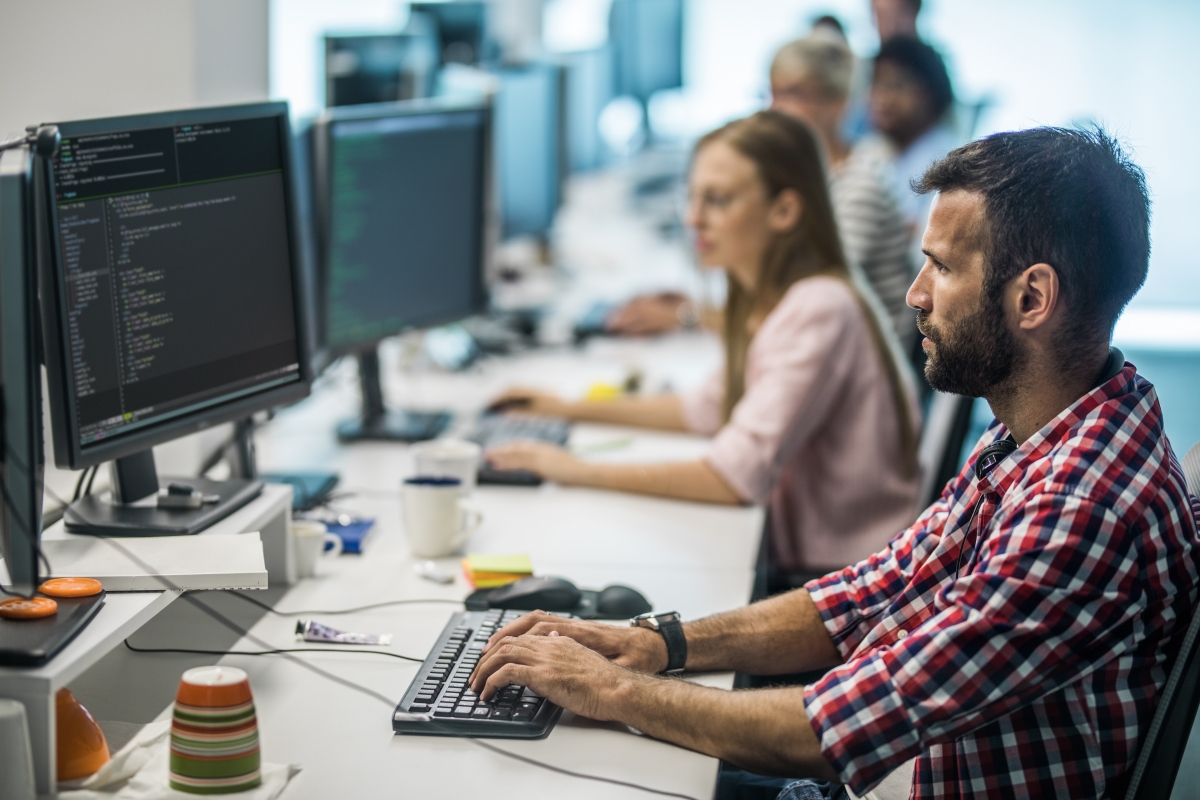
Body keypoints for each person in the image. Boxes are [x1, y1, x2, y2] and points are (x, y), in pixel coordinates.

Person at [469, 127, 1200, 799]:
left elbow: (840, 729)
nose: (915, 295)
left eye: (940, 268)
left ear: (1032, 297)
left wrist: (613, 690)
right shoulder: (1038, 434)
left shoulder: (1082, 508)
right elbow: (867, 594)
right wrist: (659, 642)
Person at [489, 111, 921, 580]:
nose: (694, 218)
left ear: (785, 211)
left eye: (717, 200)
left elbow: (732, 477)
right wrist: (562, 408)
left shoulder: (819, 307)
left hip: (844, 580)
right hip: (806, 559)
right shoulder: (766, 296)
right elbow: (708, 408)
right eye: (692, 198)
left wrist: (569, 469)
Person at [770, 36, 917, 349]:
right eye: (772, 93)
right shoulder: (806, 176)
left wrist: (692, 315)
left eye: (792, 93)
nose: (775, 108)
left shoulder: (861, 183)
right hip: (830, 341)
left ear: (837, 101)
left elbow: (810, 294)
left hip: (868, 360)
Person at [862, 36, 957, 249]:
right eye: (876, 83)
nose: (881, 98)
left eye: (896, 85)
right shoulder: (874, 150)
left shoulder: (950, 162)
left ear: (931, 92)